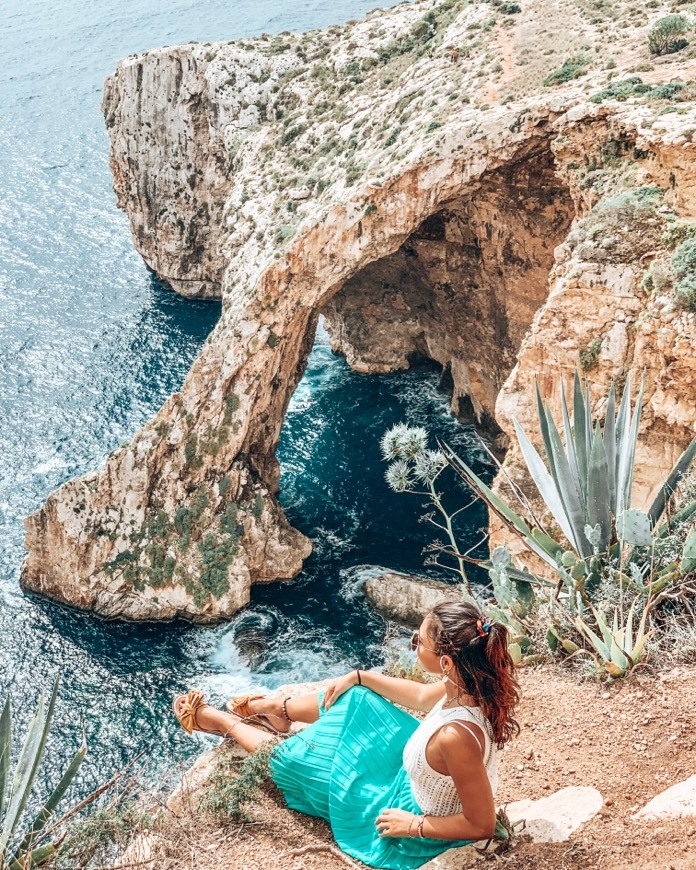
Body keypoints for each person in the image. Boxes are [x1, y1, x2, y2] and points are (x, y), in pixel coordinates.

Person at [173, 600, 520, 869]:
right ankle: (278, 710)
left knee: (291, 762)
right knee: (357, 698)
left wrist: (413, 825)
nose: (413, 643)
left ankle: (223, 722)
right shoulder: (470, 683)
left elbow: (481, 824)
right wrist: (360, 676)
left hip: (416, 815)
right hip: (418, 774)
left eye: (418, 641)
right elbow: (418, 696)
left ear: (446, 662)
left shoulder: (456, 737)